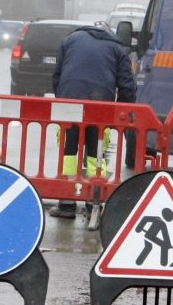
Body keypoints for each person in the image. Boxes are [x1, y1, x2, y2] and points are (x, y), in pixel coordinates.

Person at [49, 22, 136, 219]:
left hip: (69, 101)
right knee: (95, 154)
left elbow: (57, 75)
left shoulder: (70, 40)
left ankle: (67, 204)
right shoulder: (117, 48)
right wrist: (120, 113)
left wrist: (62, 100)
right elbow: (127, 85)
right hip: (100, 105)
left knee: (68, 152)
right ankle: (93, 203)